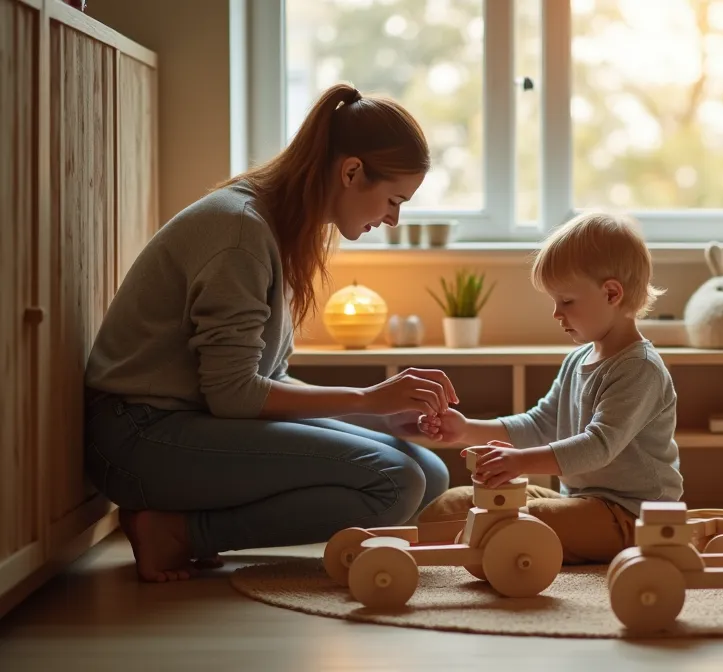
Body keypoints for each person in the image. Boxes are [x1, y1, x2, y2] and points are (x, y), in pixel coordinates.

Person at [83, 83, 455, 583]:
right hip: (138, 436)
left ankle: (184, 526)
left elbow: (267, 378)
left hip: (186, 421)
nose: (392, 218)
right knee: (396, 481)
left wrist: (383, 418)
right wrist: (368, 398)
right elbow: (235, 396)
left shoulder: (279, 228)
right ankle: (178, 533)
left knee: (428, 473)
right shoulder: (239, 233)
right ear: (351, 172)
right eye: (393, 200)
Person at [416, 212, 683, 565]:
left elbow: (599, 446)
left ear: (612, 293)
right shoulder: (578, 360)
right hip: (579, 502)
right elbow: (539, 424)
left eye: (567, 301)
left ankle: (484, 550)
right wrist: (466, 429)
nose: (557, 313)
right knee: (457, 504)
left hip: (632, 516)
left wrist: (520, 463)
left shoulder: (639, 369)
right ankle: (459, 542)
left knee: (504, 524)